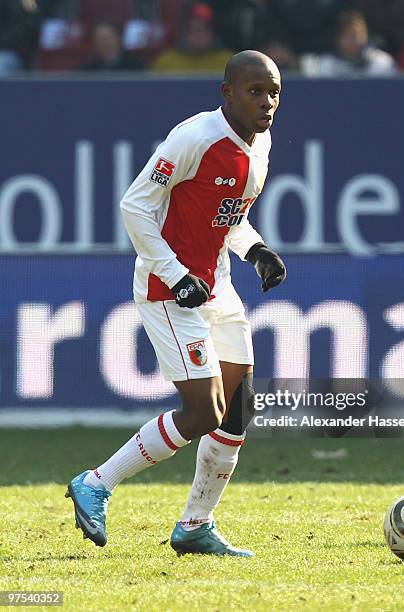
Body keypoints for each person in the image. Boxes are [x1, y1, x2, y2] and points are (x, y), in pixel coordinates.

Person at [66, 50, 286, 557]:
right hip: (170, 290)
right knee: (202, 412)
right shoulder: (195, 138)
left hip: (217, 284)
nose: (267, 102)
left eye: (274, 92)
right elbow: (135, 206)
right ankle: (96, 483)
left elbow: (228, 216)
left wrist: (256, 250)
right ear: (227, 93)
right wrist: (175, 273)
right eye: (255, 91)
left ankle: (195, 524)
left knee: (239, 404)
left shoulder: (260, 142)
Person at [301, 11, 396, 77]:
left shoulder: (382, 62)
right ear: (338, 38)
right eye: (349, 35)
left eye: (360, 34)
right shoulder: (326, 65)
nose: (356, 39)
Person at [152, 3, 232, 73]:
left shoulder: (228, 61)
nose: (198, 36)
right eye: (193, 31)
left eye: (203, 30)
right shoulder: (165, 62)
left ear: (212, 33)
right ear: (184, 33)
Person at [79, 20, 143, 71]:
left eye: (107, 38)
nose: (104, 43)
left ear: (118, 38)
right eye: (100, 40)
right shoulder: (87, 70)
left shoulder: (135, 67)